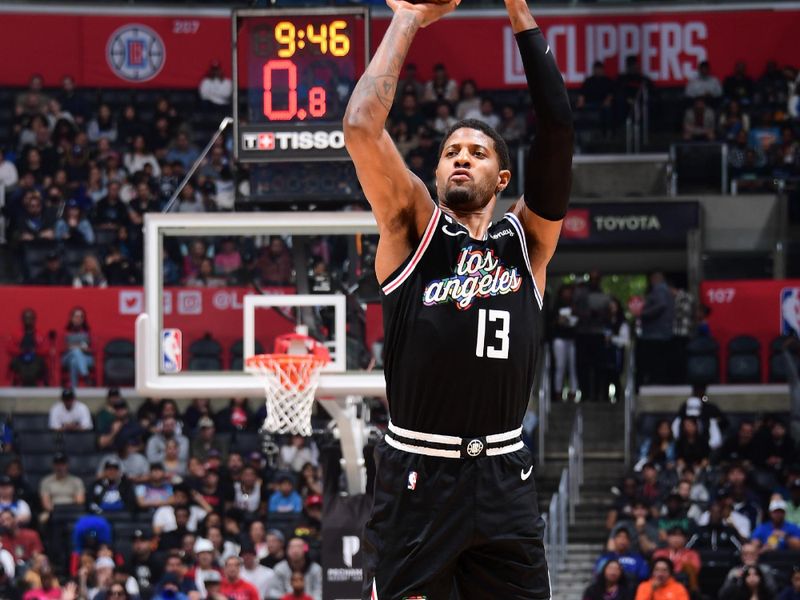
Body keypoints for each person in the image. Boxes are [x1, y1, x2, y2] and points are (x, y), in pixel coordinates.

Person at [344, 0, 572, 595]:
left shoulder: (529, 242)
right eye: (450, 152)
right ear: (437, 171)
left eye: (477, 152)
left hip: (502, 473)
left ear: (502, 178)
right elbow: (361, 126)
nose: (461, 157)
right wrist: (409, 17)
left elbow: (558, 127)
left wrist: (519, 10)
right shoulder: (413, 227)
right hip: (420, 472)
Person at [8, 308, 48, 386]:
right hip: (20, 357)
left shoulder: (40, 334)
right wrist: (21, 350)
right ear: (22, 319)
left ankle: (29, 384)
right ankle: (27, 383)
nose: (28, 320)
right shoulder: (15, 333)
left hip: (36, 358)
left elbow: (46, 349)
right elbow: (10, 348)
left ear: (34, 319)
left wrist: (35, 351)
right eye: (26, 318)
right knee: (20, 365)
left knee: (37, 364)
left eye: (30, 318)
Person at [39, 452, 85, 520]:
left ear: (67, 465)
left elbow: (80, 501)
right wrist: (58, 510)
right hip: (52, 511)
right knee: (42, 519)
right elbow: (46, 504)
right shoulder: (46, 481)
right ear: (53, 465)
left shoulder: (76, 481)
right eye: (57, 464)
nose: (60, 467)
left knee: (84, 518)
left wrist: (66, 510)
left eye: (62, 464)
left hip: (72, 511)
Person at [61, 307, 94, 389]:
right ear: (71, 318)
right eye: (76, 316)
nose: (78, 319)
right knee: (76, 351)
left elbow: (90, 348)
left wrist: (74, 346)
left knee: (74, 361)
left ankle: (73, 388)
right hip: (67, 357)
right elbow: (64, 347)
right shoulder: (65, 331)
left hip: (86, 357)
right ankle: (85, 374)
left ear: (83, 319)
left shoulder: (88, 332)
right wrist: (78, 347)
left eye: (81, 317)